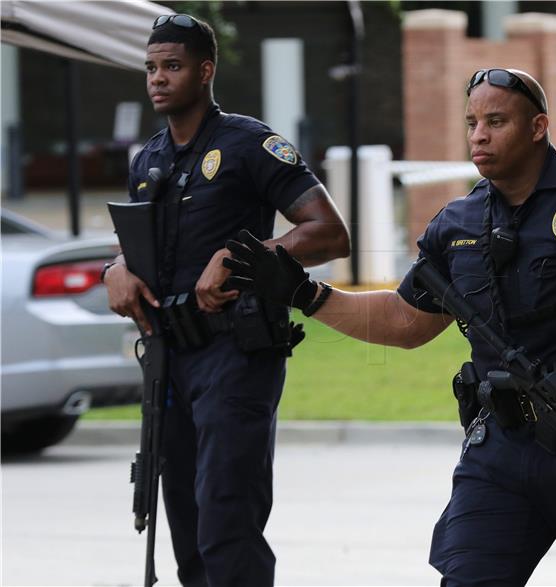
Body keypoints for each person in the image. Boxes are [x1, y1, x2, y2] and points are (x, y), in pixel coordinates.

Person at [224, 67, 556, 587]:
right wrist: (305, 294)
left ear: (538, 127)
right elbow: (406, 321)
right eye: (472, 122)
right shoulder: (458, 224)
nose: (479, 135)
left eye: (497, 121)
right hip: (501, 449)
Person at [102, 14, 349, 587]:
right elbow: (134, 248)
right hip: (170, 359)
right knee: (186, 532)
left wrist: (243, 258)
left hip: (235, 355)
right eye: (151, 67)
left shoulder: (247, 143)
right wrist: (113, 268)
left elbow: (329, 231)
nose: (158, 79)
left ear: (205, 70)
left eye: (173, 66)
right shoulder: (148, 161)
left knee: (226, 522)